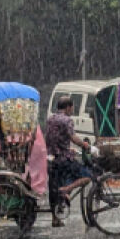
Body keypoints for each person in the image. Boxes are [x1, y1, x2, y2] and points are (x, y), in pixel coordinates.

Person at [44, 96, 94, 227]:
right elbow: (73, 137)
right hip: (63, 158)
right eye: (72, 108)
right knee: (87, 176)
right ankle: (67, 190)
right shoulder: (67, 120)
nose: (72, 110)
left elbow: (53, 138)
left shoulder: (50, 119)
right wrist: (85, 145)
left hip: (51, 159)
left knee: (53, 188)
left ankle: (55, 218)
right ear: (68, 107)